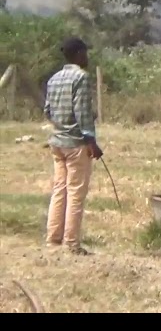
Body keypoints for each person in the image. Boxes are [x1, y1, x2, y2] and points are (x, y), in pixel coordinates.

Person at [43, 37, 103, 255]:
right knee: (76, 192)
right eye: (85, 53)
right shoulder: (82, 78)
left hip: (57, 143)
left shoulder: (54, 79)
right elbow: (83, 112)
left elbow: (48, 111)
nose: (86, 57)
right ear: (78, 54)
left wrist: (61, 126)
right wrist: (91, 141)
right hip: (76, 144)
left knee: (59, 189)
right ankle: (71, 243)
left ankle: (53, 239)